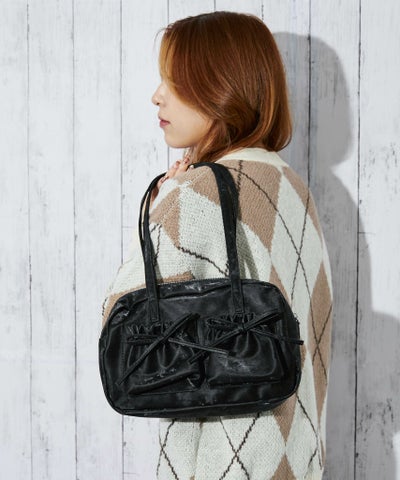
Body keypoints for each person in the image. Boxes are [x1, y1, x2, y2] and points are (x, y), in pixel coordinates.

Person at [101, 11, 333, 480]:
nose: (157, 95)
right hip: (297, 458)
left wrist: (161, 206)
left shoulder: (194, 194)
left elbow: (122, 335)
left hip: (222, 465)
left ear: (220, 87)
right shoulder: (294, 188)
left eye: (175, 81)